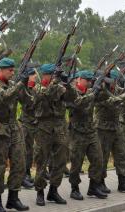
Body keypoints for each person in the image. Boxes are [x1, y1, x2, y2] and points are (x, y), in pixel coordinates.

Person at [0, 58, 29, 212]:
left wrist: (25, 85)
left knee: (19, 163)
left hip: (13, 127)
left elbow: (27, 101)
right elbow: (4, 97)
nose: (12, 72)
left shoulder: (13, 85)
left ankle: (13, 198)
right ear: (0, 70)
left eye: (13, 69)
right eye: (9, 69)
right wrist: (19, 84)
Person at [32, 64, 76, 206]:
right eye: (51, 75)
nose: (52, 77)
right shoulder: (37, 88)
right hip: (43, 128)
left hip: (59, 128)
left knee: (60, 162)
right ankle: (40, 192)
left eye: (54, 75)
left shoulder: (59, 86)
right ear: (44, 75)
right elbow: (46, 96)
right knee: (41, 161)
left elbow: (71, 97)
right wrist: (55, 82)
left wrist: (67, 83)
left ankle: (53, 190)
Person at [68, 70, 107, 200]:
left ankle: (93, 187)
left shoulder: (91, 91)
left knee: (98, 159)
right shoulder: (72, 92)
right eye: (87, 80)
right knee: (76, 163)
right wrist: (94, 92)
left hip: (91, 131)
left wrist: (102, 86)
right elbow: (79, 103)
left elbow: (105, 97)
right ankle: (74, 188)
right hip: (77, 132)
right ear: (79, 79)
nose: (89, 83)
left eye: (91, 81)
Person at [94, 69, 125, 193]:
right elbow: (113, 101)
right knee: (103, 157)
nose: (115, 83)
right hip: (103, 128)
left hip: (116, 127)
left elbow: (123, 94)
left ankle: (122, 182)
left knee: (121, 155)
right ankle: (100, 182)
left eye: (116, 81)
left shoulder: (114, 89)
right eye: (113, 81)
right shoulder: (100, 92)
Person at [17, 65, 37, 189]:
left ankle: (27, 173)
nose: (36, 78)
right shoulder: (24, 89)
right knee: (25, 151)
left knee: (30, 151)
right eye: (34, 76)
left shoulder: (33, 88)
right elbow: (28, 104)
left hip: (33, 123)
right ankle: (23, 175)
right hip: (26, 123)